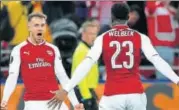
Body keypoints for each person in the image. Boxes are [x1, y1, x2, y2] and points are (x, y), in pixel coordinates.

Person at [47, 3, 179, 110]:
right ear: (128, 16)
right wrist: (177, 79)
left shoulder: (102, 38)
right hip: (136, 94)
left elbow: (86, 64)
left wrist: (67, 88)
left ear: (112, 17)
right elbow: (157, 61)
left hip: (112, 95)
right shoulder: (140, 37)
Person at [0, 12, 84, 110]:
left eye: (42, 25)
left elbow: (63, 77)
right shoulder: (19, 50)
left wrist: (75, 103)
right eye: (36, 25)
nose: (40, 28)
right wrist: (4, 101)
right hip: (34, 103)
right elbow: (12, 77)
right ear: (29, 27)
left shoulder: (53, 49)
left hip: (55, 102)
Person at [72, 20, 99, 110]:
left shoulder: (88, 49)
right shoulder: (81, 51)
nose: (94, 37)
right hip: (83, 92)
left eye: (95, 33)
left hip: (88, 91)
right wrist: (87, 96)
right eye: (91, 33)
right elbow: (80, 77)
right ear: (83, 34)